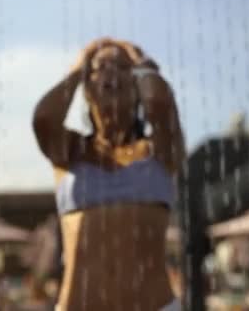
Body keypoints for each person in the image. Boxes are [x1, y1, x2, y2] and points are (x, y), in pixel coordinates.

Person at [33, 38, 185, 310]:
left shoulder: (159, 151)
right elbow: (43, 119)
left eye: (121, 66)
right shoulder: (71, 151)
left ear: (138, 85)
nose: (110, 71)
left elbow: (160, 103)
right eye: (99, 67)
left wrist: (140, 61)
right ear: (87, 89)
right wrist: (78, 68)